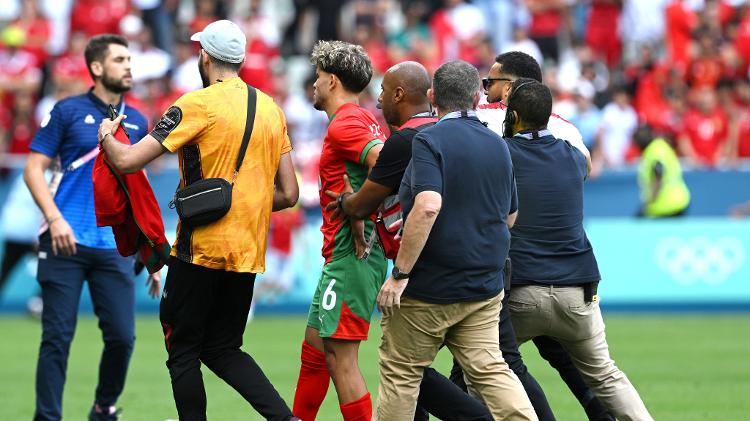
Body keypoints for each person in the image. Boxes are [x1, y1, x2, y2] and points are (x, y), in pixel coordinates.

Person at [96, 20, 300, 421]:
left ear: (204, 56)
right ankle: (285, 419)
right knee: (224, 347)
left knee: (183, 349)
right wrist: (246, 204)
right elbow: (290, 194)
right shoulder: (271, 109)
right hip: (247, 252)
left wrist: (107, 135)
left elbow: (127, 160)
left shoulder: (196, 104)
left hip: (199, 248)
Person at [326, 60, 547, 421]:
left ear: (432, 97)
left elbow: (427, 206)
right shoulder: (498, 144)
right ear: (477, 97)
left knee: (402, 373)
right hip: (484, 286)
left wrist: (399, 275)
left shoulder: (429, 139)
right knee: (492, 371)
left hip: (431, 287)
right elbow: (510, 215)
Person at [23, 34, 159, 421]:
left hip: (113, 246)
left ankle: (103, 408)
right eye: (120, 59)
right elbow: (34, 170)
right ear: (97, 68)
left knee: (122, 338)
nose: (129, 65)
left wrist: (149, 252)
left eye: (130, 59)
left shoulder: (139, 120)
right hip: (64, 240)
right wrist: (54, 219)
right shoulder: (66, 111)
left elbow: (138, 191)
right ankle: (47, 417)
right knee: (56, 338)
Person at [503, 78, 654, 421]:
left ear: (512, 117)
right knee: (606, 376)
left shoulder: (503, 155)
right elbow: (584, 159)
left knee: (482, 370)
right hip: (578, 292)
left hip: (522, 292)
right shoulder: (571, 157)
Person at [475, 50, 614, 421]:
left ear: (512, 89)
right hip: (565, 268)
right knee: (573, 363)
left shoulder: (480, 119)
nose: (485, 90)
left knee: (483, 365)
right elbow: (581, 170)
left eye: (491, 82)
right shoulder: (566, 129)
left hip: (510, 269)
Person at [292, 40, 387, 421]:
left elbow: (387, 165)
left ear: (331, 80)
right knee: (315, 349)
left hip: (352, 257)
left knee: (339, 357)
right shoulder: (363, 118)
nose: (313, 84)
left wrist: (358, 207)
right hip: (345, 256)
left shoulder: (346, 123)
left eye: (317, 77)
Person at [633, 125, 690, 218]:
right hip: (678, 200)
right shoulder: (661, 146)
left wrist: (649, 202)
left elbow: (658, 175)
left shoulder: (655, 150)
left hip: (666, 205)